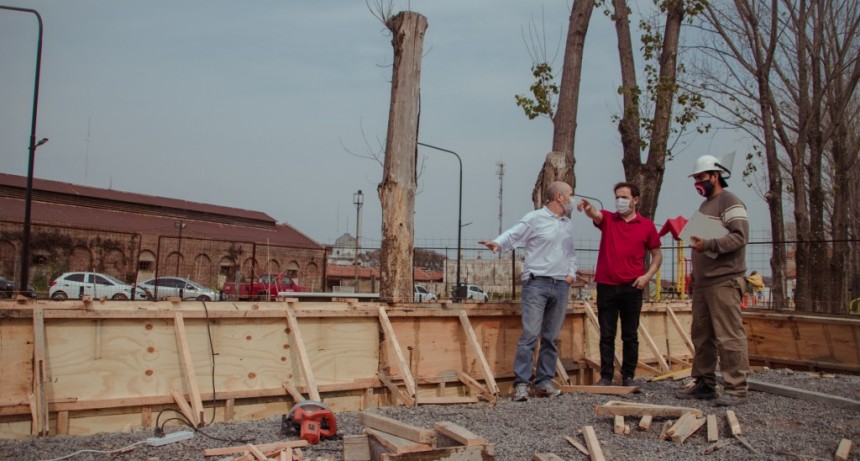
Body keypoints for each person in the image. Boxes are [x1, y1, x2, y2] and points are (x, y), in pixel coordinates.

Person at [479, 181, 577, 401]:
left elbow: (571, 252)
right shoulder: (535, 218)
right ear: (559, 197)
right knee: (530, 335)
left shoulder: (567, 223)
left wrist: (571, 274)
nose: (574, 198)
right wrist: (497, 244)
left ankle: (543, 382)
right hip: (537, 283)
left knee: (551, 337)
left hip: (560, 285)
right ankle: (521, 383)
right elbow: (515, 234)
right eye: (571, 194)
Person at [676, 154, 751, 406]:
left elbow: (739, 237)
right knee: (702, 335)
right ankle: (704, 383)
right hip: (704, 283)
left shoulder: (730, 201)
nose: (697, 182)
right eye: (695, 178)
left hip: (724, 280)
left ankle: (736, 388)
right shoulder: (705, 206)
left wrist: (708, 243)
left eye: (701, 177)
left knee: (728, 336)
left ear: (715, 176)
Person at [577, 182, 662, 387]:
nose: (620, 201)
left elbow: (657, 255)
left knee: (630, 334)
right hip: (606, 285)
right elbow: (596, 214)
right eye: (617, 197)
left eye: (624, 197)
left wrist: (647, 276)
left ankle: (628, 376)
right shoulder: (608, 219)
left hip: (632, 286)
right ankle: (606, 376)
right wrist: (588, 209)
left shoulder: (647, 226)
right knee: (607, 334)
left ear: (635, 199)